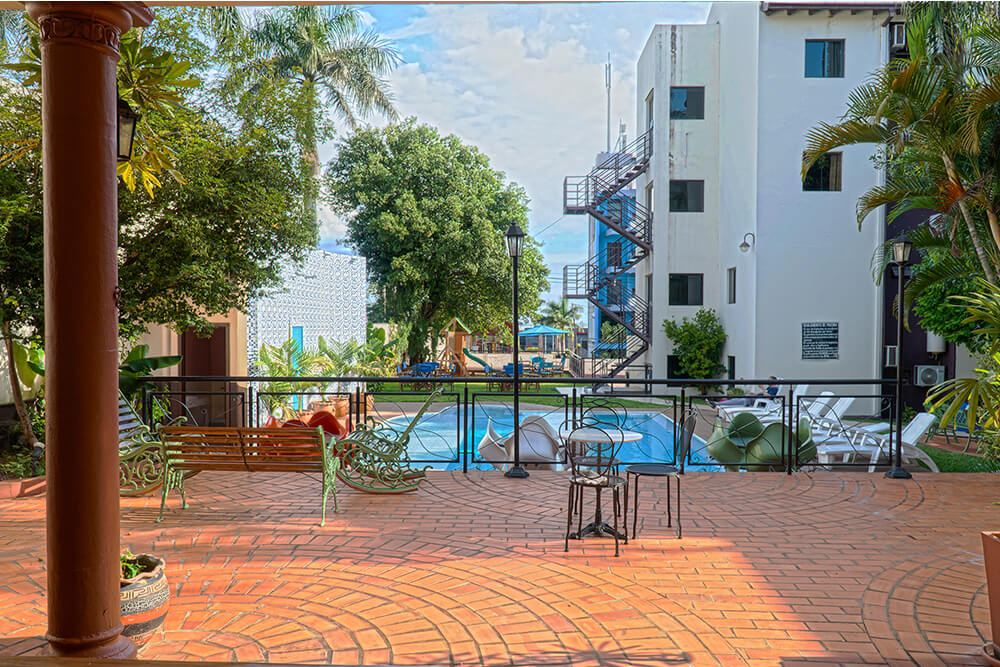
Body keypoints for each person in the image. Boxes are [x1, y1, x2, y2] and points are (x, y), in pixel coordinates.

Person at [710, 377, 780, 408]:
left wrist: (762, 388)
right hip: (755, 398)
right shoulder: (769, 388)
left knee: (739, 401)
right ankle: (717, 403)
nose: (767, 381)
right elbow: (762, 394)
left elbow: (768, 397)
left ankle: (716, 403)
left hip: (758, 402)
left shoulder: (774, 389)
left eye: (769, 380)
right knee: (736, 400)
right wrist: (754, 394)